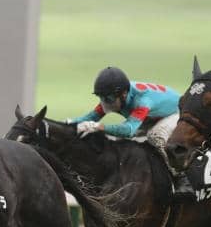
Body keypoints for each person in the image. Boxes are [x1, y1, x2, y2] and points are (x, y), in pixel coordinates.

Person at [69, 66, 194, 201]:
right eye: (101, 98)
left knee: (155, 135)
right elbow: (91, 117)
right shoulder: (114, 94)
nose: (105, 104)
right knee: (118, 141)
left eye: (108, 99)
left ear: (123, 95)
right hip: (152, 116)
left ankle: (182, 179)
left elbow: (128, 130)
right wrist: (66, 124)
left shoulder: (142, 100)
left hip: (176, 112)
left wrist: (99, 127)